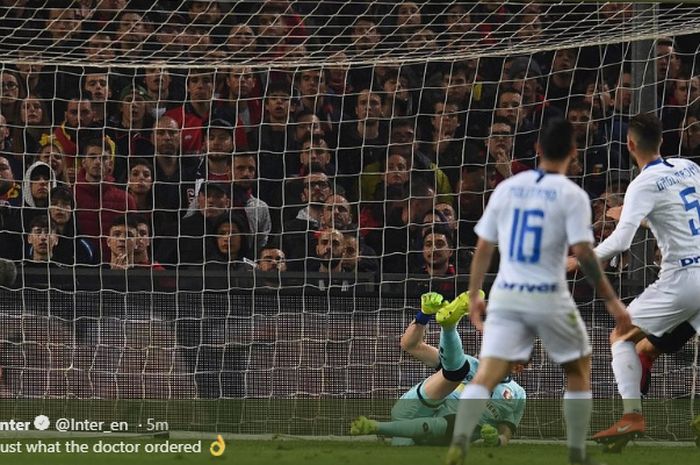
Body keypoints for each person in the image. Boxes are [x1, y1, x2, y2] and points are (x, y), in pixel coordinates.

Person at [446, 118, 630, 465]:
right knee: (578, 369)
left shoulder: (508, 187)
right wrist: (612, 300)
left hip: (506, 292)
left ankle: (459, 443)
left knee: (486, 372)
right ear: (574, 154)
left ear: (537, 149)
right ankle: (576, 452)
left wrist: (474, 295)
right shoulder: (573, 195)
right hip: (548, 293)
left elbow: (484, 246)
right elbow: (586, 255)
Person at [573, 113, 700, 449]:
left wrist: (578, 260)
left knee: (621, 335)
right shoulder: (690, 167)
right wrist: (645, 220)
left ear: (629, 145)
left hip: (683, 279)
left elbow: (618, 244)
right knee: (648, 348)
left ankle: (632, 416)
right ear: (662, 141)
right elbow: (682, 216)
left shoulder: (641, 184)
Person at [351, 291, 525, 447]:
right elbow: (410, 345)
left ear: (518, 366)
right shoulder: (468, 364)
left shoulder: (516, 394)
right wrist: (424, 315)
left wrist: (496, 441)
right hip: (413, 409)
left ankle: (379, 428)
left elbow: (506, 434)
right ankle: (449, 326)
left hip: (445, 433)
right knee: (457, 370)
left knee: (406, 447)